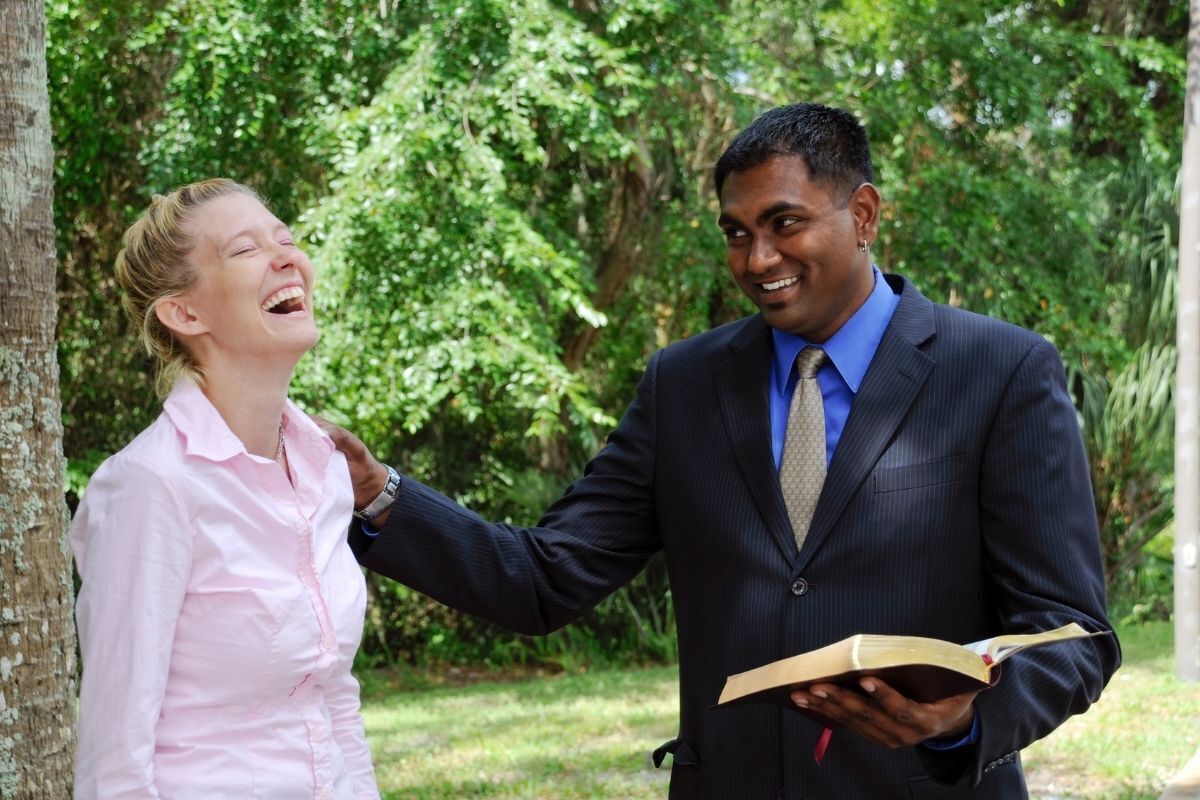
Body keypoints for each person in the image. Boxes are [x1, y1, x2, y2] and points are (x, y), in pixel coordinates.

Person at [322, 103, 1120, 798]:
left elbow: (1074, 632)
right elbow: (545, 578)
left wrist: (962, 718)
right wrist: (378, 492)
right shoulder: (684, 386)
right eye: (736, 234)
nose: (756, 261)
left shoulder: (1000, 371)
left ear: (865, 215)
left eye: (784, 224)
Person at [70, 179, 380, 799]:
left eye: (285, 239)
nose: (286, 256)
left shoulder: (323, 467)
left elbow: (332, 694)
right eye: (245, 250)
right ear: (185, 313)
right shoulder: (149, 487)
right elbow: (115, 754)